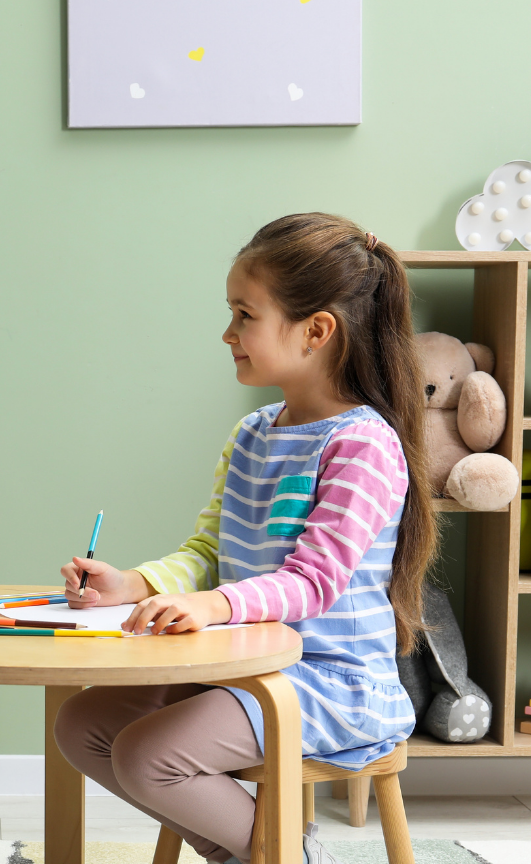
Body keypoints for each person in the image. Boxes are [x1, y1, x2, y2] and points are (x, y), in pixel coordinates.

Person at [51, 214, 435, 864]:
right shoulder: (254, 433)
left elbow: (313, 582)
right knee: (82, 726)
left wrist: (212, 606)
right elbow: (207, 552)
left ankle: (283, 854)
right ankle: (257, 853)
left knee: (148, 754)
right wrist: (135, 582)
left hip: (332, 683)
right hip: (241, 669)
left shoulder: (363, 446)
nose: (227, 334)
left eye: (243, 315)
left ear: (316, 331)